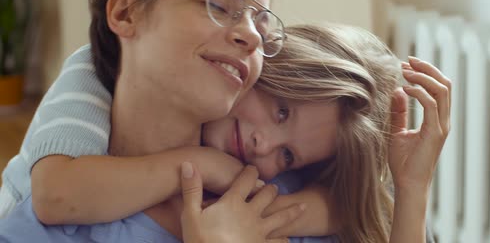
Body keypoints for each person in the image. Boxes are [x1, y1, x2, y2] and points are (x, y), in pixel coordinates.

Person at [0, 22, 449, 243]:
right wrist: (200, 168)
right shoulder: (105, 71)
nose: (264, 148)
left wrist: (412, 189)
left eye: (290, 155)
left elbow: (363, 209)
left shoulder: (273, 193)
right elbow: (55, 195)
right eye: (280, 112)